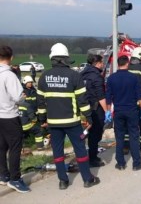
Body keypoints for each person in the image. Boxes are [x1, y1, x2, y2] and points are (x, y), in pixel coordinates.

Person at [37, 43, 100, 190]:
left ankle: (63, 181)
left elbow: (40, 103)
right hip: (72, 122)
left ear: (52, 58)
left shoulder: (44, 77)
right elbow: (82, 101)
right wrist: (89, 117)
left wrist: (42, 120)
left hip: (53, 123)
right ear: (66, 58)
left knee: (57, 151)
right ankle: (87, 179)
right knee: (80, 150)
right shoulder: (74, 75)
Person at [105, 55, 141, 171]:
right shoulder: (133, 78)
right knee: (134, 137)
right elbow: (139, 95)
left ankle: (121, 163)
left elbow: (108, 97)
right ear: (127, 64)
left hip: (118, 111)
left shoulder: (111, 78)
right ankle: (136, 163)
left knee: (119, 138)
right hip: (132, 111)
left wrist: (108, 111)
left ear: (118, 64)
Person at [0, 46, 31, 193]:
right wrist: (23, 97)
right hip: (9, 115)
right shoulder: (9, 75)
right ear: (11, 57)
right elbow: (18, 97)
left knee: (1, 146)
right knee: (15, 147)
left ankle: (3, 175)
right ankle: (15, 178)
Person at [80, 54, 107, 167]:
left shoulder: (81, 74)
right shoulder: (96, 76)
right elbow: (100, 96)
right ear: (97, 63)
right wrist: (107, 111)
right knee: (95, 134)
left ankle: (84, 155)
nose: (103, 64)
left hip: (83, 108)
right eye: (102, 62)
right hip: (95, 109)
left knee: (85, 133)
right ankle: (93, 158)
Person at [21, 75, 44, 150]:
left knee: (37, 127)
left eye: (31, 82)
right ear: (25, 83)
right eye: (29, 82)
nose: (30, 84)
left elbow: (38, 101)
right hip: (26, 114)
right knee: (28, 132)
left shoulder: (34, 91)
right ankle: (27, 145)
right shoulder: (22, 92)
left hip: (34, 113)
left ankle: (35, 145)